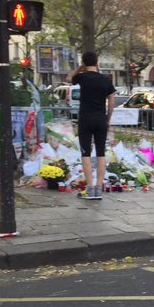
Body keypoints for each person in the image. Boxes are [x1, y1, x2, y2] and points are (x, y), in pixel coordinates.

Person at [67, 51, 115, 200]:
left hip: (85, 118)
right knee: (101, 153)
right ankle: (99, 188)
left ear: (84, 63)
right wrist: (108, 118)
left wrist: (80, 68)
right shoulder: (105, 79)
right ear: (97, 62)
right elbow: (112, 100)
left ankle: (89, 188)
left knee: (85, 153)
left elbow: (68, 78)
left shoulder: (81, 77)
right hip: (100, 118)